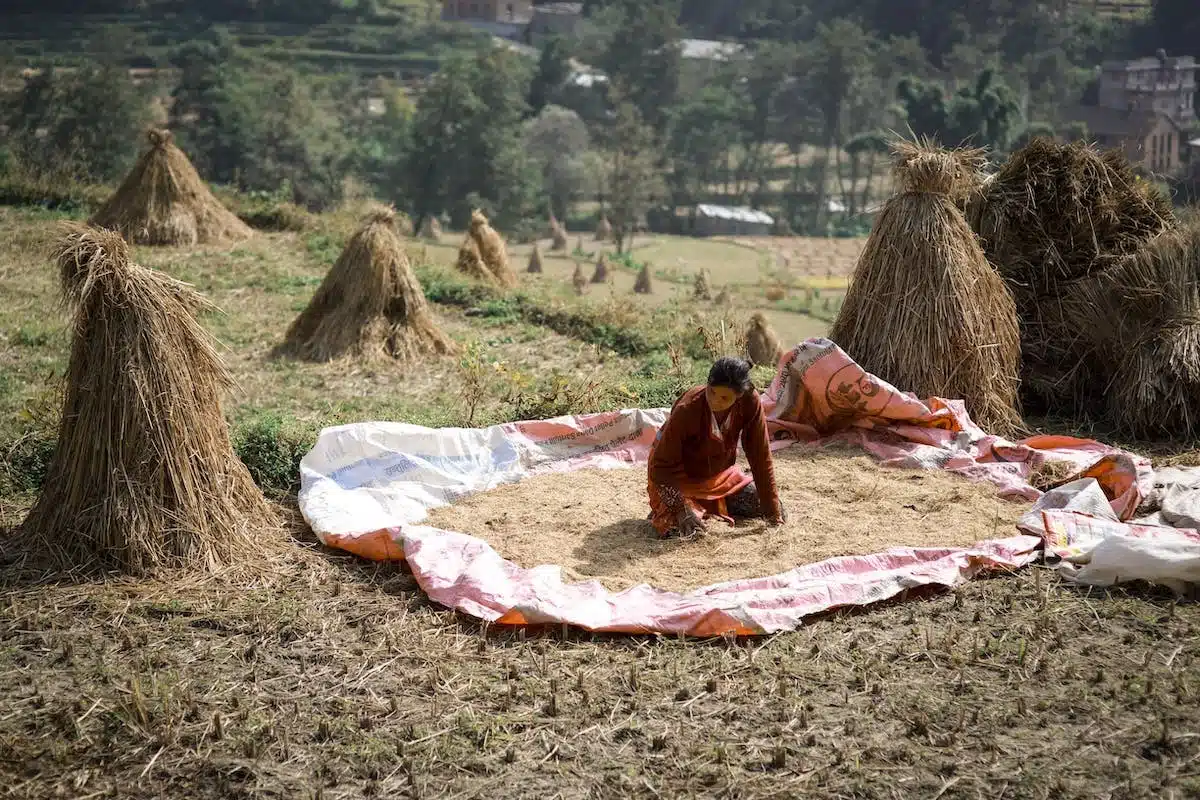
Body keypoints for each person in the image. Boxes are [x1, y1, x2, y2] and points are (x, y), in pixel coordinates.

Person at [647, 356, 786, 539]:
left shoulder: (750, 402)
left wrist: (772, 511)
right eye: (711, 392)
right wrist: (681, 510)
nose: (715, 401)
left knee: (769, 506)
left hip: (719, 477)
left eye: (724, 397)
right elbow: (660, 466)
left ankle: (710, 503)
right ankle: (677, 507)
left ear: (739, 396)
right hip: (677, 478)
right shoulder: (687, 409)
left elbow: (759, 453)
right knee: (684, 531)